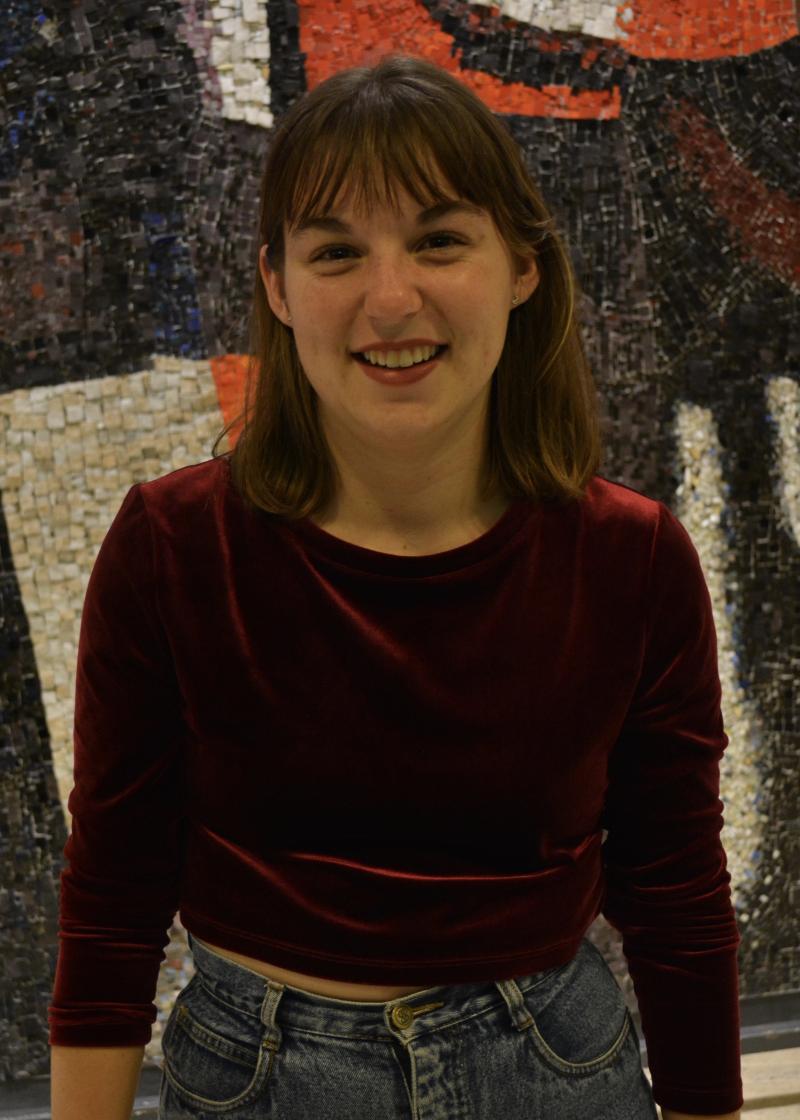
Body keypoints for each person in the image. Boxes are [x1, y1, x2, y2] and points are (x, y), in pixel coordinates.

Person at [49, 53, 742, 1120]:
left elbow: (677, 891)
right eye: (336, 252)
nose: (390, 299)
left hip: (557, 1076)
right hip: (256, 1085)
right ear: (278, 286)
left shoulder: (632, 557)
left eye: (438, 241)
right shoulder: (173, 546)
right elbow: (113, 891)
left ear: (522, 265)